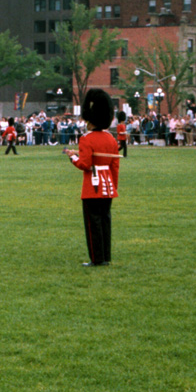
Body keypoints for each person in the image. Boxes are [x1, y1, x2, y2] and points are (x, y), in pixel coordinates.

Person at [68, 88, 120, 267]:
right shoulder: (111, 138)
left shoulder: (86, 139)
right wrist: (114, 186)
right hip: (108, 186)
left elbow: (85, 164)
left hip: (93, 186)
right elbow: (115, 166)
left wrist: (72, 157)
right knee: (105, 221)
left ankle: (96, 258)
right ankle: (105, 256)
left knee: (93, 224)